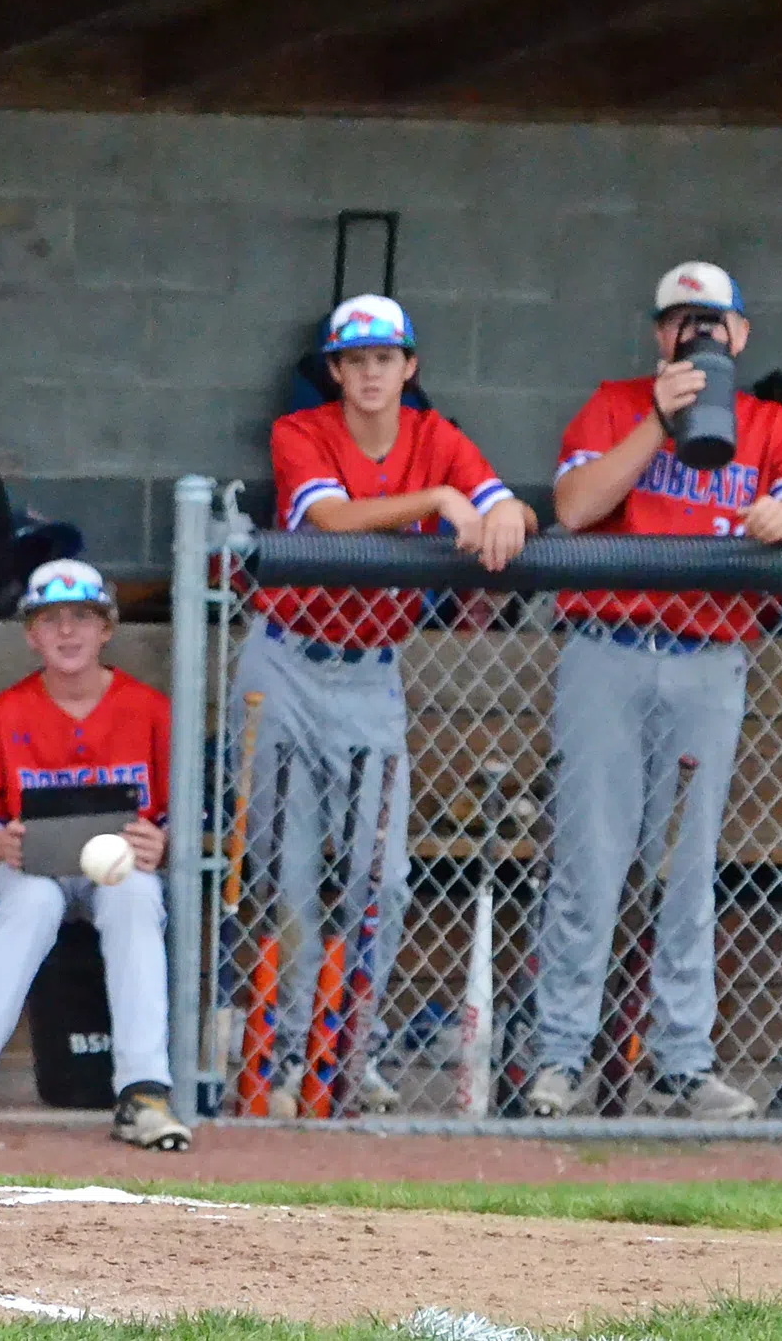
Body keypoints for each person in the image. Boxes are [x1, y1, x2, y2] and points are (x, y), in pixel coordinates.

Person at [529, 261, 782, 1121]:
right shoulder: (616, 403)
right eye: (680, 323)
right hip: (608, 651)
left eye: (711, 324)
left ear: (740, 333)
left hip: (708, 659)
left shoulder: (767, 422)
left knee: (686, 868)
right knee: (589, 861)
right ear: (659, 336)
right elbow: (575, 507)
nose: (697, 337)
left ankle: (682, 1061)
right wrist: (658, 421)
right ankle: (560, 1057)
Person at [234, 294, 535, 1118]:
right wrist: (439, 504)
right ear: (335, 370)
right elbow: (329, 521)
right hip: (287, 660)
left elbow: (510, 504)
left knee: (384, 878)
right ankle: (289, 1051)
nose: (371, 373)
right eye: (355, 360)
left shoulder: (439, 439)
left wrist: (503, 508)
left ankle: (347, 1053)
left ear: (410, 367)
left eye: (385, 358)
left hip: (373, 672)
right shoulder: (303, 432)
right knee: (288, 875)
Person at [0, 559, 192, 1153]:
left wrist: (161, 843)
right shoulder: (5, 713)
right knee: (31, 904)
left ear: (107, 629)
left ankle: (144, 1094)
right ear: (30, 633)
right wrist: (2, 843)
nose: (67, 632)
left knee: (137, 894)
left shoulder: (149, 710)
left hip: (117, 872)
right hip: (28, 870)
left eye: (82, 618)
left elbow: (188, 823)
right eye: (50, 620)